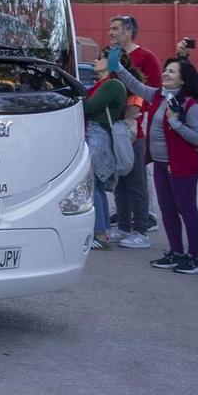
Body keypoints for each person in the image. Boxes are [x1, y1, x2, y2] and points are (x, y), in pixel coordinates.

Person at [109, 53, 198, 273]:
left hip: (182, 166)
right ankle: (176, 252)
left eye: (172, 71)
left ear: (183, 79)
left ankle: (195, 258)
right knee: (167, 210)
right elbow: (134, 84)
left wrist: (176, 124)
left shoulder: (190, 105)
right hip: (161, 164)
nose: (165, 73)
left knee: (187, 210)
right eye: (166, 70)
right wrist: (116, 65)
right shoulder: (157, 95)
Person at [106, 14, 161, 240]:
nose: (111, 32)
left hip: (135, 122)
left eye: (115, 28)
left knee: (137, 178)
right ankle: (124, 223)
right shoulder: (112, 56)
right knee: (121, 178)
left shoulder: (146, 57)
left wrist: (137, 113)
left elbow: (155, 91)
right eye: (110, 28)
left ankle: (142, 224)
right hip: (116, 124)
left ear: (128, 31)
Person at [83, 51, 128, 249]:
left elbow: (89, 107)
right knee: (95, 185)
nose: (95, 60)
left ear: (111, 63)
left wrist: (72, 94)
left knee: (95, 185)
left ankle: (100, 233)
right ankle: (100, 232)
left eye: (100, 57)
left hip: (99, 136)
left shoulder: (111, 85)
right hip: (97, 135)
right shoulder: (104, 84)